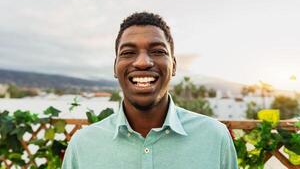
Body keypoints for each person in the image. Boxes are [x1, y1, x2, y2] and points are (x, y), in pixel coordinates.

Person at [62, 12, 238, 169]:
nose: (143, 62)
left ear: (174, 66)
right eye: (128, 52)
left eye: (157, 51)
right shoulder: (82, 146)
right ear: (115, 68)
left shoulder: (215, 137)